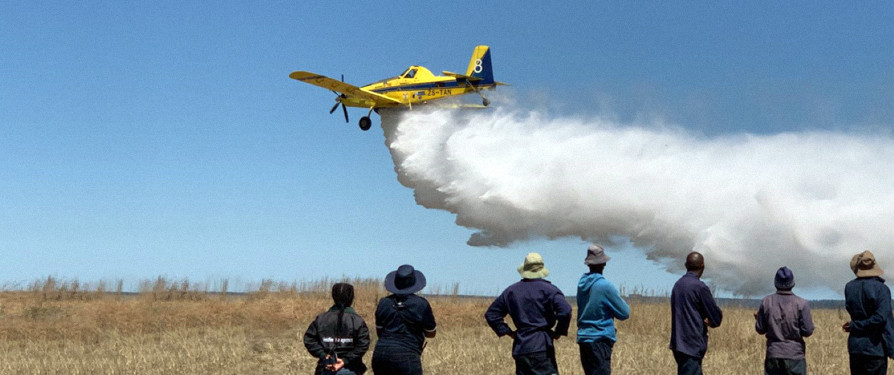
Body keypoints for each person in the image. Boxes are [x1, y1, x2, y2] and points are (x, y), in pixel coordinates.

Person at [485, 252, 573, 375]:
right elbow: (565, 311)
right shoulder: (550, 290)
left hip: (521, 347)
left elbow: (491, 314)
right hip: (542, 347)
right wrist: (559, 332)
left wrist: (508, 332)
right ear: (541, 269)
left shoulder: (511, 291)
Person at [371, 264, 437, 375]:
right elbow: (431, 333)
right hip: (407, 355)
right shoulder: (421, 304)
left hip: (381, 354)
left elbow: (379, 332)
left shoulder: (384, 303)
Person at [576, 244, 630, 375]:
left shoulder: (581, 284)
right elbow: (624, 313)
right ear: (603, 264)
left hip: (584, 339)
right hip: (599, 339)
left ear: (588, 264)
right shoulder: (605, 286)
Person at [669, 251, 723, 375]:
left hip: (678, 344)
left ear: (685, 265)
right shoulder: (700, 288)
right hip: (692, 345)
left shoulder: (677, 285)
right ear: (703, 267)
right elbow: (716, 318)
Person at [754, 266, 815, 375]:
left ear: (775, 283)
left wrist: (759, 319)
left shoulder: (766, 302)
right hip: (795, 355)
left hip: (774, 353)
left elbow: (760, 329)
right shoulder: (801, 303)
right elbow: (808, 331)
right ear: (792, 283)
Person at [842, 250, 894, 375]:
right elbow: (881, 318)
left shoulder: (849, 287)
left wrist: (855, 325)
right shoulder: (882, 289)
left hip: (855, 347)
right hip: (875, 348)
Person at [303, 283, 371, 375]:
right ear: (352, 298)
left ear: (333, 296)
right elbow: (363, 344)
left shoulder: (321, 319)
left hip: (326, 368)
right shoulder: (357, 320)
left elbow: (309, 339)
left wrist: (323, 355)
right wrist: (345, 360)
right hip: (351, 369)